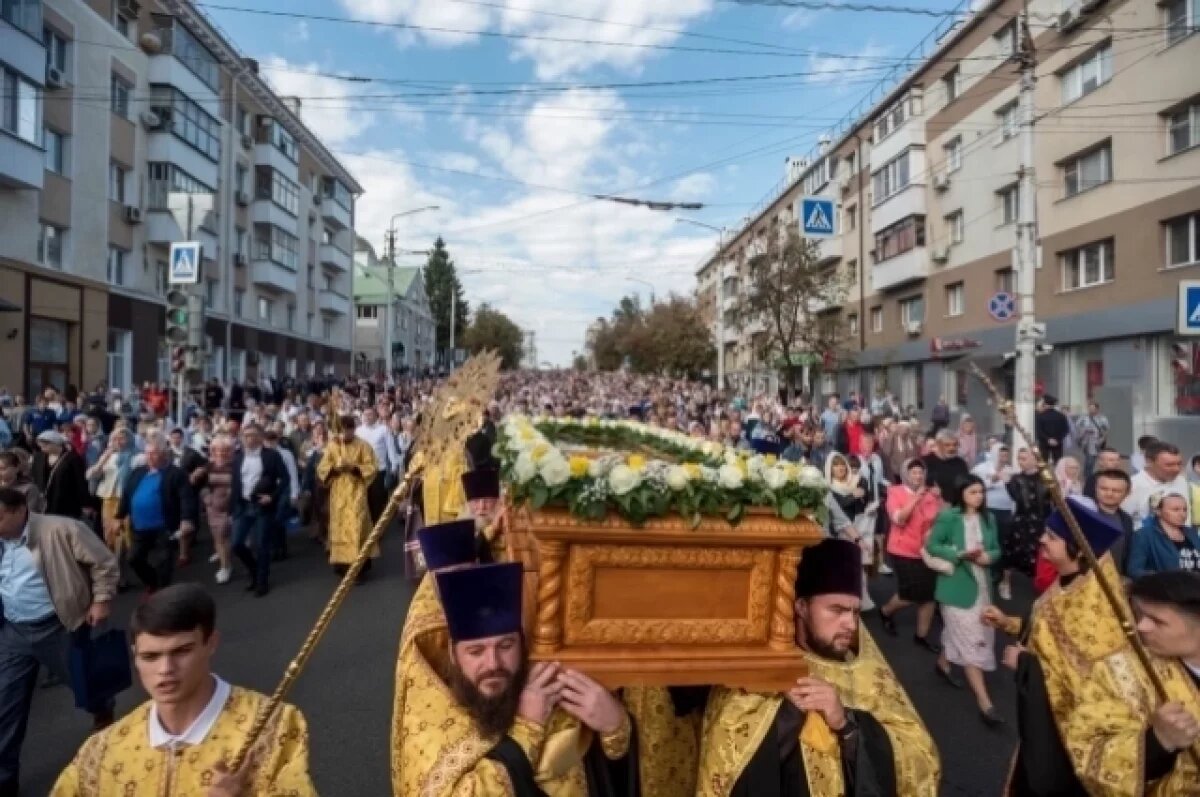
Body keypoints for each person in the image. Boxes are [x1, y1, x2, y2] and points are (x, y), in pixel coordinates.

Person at [695, 538, 941, 795]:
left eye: (855, 612)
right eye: (836, 610)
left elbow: (922, 756)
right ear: (801, 607)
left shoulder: (869, 674)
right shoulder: (762, 670)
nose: (850, 624)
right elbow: (726, 765)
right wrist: (788, 713)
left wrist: (847, 724)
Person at [394, 561, 640, 795]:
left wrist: (616, 727)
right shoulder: (432, 715)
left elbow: (598, 774)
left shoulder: (547, 688)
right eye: (476, 651)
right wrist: (526, 728)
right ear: (453, 654)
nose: (493, 664)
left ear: (522, 645)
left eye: (506, 646)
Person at [50, 584, 316, 796]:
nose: (166, 669)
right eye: (151, 657)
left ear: (210, 643)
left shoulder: (274, 727)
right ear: (135, 656)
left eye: (182, 651)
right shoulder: (102, 750)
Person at [1012, 501, 1200, 795]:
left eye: (1157, 621)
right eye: (1141, 616)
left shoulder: (1104, 601)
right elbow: (1092, 749)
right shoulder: (1120, 672)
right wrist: (1157, 743)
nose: (1139, 629)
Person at [985, 496, 1126, 796]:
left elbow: (1087, 677)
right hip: (1042, 718)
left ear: (1077, 548)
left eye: (1051, 536)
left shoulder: (1093, 604)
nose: (1041, 540)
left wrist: (1025, 664)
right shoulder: (1067, 582)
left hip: (1066, 736)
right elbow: (1049, 628)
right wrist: (1008, 623)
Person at [0, 487, 118, 797]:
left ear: (17, 510)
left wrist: (101, 600)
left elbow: (104, 563)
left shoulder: (62, 529)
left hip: (60, 628)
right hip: (14, 633)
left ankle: (103, 712)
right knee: (5, 706)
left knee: (88, 688)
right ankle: (4, 780)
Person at [924, 476, 1003, 726]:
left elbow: (997, 548)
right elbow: (933, 545)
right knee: (971, 639)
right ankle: (985, 703)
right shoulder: (949, 516)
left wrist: (988, 558)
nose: (978, 496)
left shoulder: (989, 518)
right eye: (973, 492)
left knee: (972, 631)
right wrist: (959, 554)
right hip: (955, 587)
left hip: (982, 585)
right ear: (962, 493)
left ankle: (943, 662)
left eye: (981, 492)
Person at [113, 433, 197, 594]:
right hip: (139, 527)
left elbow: (186, 497)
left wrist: (186, 519)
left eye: (154, 453)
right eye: (147, 453)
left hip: (164, 527)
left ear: (164, 454)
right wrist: (119, 517)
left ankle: (163, 594)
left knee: (164, 562)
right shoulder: (138, 472)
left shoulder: (175, 473)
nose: (149, 457)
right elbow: (127, 495)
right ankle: (152, 582)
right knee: (134, 559)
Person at [879, 459, 942, 652]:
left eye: (920, 472)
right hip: (902, 550)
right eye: (914, 472)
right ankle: (885, 611)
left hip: (926, 550)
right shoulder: (895, 492)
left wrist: (938, 500)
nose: (918, 476)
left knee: (930, 595)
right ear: (906, 474)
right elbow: (899, 519)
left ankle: (921, 636)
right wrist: (915, 498)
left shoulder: (931, 495)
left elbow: (938, 519)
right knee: (911, 594)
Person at [230, 424, 289, 597]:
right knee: (236, 544)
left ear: (261, 437)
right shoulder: (238, 458)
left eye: (254, 435)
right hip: (243, 506)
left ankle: (262, 581)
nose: (250, 439)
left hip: (263, 506)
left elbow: (284, 479)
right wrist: (232, 508)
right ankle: (254, 569)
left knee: (262, 545)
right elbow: (235, 484)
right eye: (246, 435)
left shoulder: (272, 456)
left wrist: (272, 496)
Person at [317, 415, 378, 579]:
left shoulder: (363, 446)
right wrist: (334, 469)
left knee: (357, 526)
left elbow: (371, 466)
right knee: (339, 528)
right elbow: (322, 467)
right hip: (338, 492)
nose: (344, 434)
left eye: (347, 430)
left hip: (356, 491)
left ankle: (359, 568)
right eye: (340, 431)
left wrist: (353, 468)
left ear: (352, 429)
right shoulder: (332, 446)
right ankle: (342, 564)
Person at [1002, 448, 1050, 600]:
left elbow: (1051, 501)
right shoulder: (1016, 479)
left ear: (1035, 459)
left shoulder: (1046, 477)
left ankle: (1037, 588)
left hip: (1041, 522)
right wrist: (1008, 483)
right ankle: (1007, 583)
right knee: (1014, 554)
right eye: (1019, 458)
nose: (1021, 462)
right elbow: (1019, 499)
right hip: (1021, 521)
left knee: (1038, 555)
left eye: (1024, 458)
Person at [1126, 492, 1200, 578]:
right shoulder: (1144, 535)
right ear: (1158, 511)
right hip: (1166, 588)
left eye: (1185, 509)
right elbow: (1135, 570)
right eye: (1175, 510)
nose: (1182, 514)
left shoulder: (1191, 533)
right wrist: (1163, 580)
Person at [193, 434, 236, 584]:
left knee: (225, 536)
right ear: (213, 450)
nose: (221, 453)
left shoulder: (236, 465)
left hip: (230, 507)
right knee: (218, 537)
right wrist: (207, 498)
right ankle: (225, 565)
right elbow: (198, 484)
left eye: (225, 450)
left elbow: (240, 485)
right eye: (218, 450)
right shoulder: (208, 466)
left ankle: (226, 562)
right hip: (213, 507)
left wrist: (232, 497)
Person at [1124, 441, 1190, 526]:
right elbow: (1123, 520)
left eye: (1179, 464)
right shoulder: (1133, 485)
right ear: (1149, 462)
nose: (1176, 469)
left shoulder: (1181, 481)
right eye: (1169, 465)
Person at [31, 430, 89, 519]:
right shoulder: (39, 457)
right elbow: (34, 476)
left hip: (66, 502)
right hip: (45, 501)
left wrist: (85, 503)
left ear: (56, 443)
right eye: (40, 444)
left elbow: (80, 481)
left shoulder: (72, 459)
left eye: (46, 444)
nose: (42, 447)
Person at [921, 431, 970, 504]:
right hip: (931, 506)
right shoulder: (924, 462)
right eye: (947, 445)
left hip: (956, 507)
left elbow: (965, 485)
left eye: (955, 445)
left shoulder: (961, 463)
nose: (952, 448)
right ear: (938, 444)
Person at [1074, 401, 1109, 476]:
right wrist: (1083, 432)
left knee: (1092, 459)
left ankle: (1089, 474)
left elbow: (1106, 430)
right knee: (1089, 459)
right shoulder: (1083, 418)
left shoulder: (1102, 418)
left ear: (1097, 409)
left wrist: (1102, 439)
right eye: (1090, 408)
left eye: (1093, 408)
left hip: (1097, 441)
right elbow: (1077, 427)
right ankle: (1087, 474)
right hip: (1086, 441)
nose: (1091, 410)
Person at [1034, 396, 1070, 465]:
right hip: (1058, 443)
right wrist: (1058, 439)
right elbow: (1066, 430)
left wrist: (1048, 439)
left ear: (1045, 404)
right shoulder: (1061, 416)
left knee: (1043, 463)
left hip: (1044, 443)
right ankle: (1057, 475)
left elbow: (1039, 431)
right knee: (1058, 463)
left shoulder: (1041, 416)